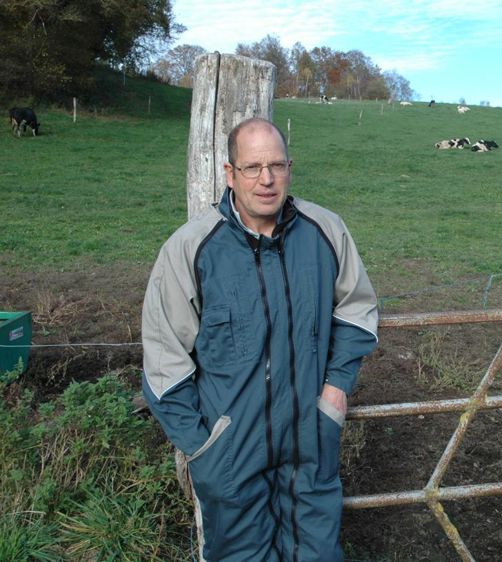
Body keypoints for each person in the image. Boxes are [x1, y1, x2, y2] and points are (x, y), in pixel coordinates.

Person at [141, 117, 378, 561]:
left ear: (290, 168)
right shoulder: (192, 247)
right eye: (252, 167)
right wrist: (203, 448)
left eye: (276, 165)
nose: (266, 179)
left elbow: (357, 310)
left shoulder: (325, 231)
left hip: (311, 441)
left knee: (317, 553)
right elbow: (162, 360)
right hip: (231, 456)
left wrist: (335, 390)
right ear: (230, 174)